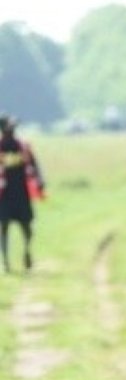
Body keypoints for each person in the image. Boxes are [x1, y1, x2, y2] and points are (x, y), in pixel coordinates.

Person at [0, 115, 45, 274]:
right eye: (9, 127)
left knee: (27, 229)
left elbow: (34, 165)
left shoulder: (23, 147)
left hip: (21, 193)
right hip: (4, 195)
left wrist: (40, 181)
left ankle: (27, 252)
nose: (12, 130)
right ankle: (5, 262)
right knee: (3, 227)